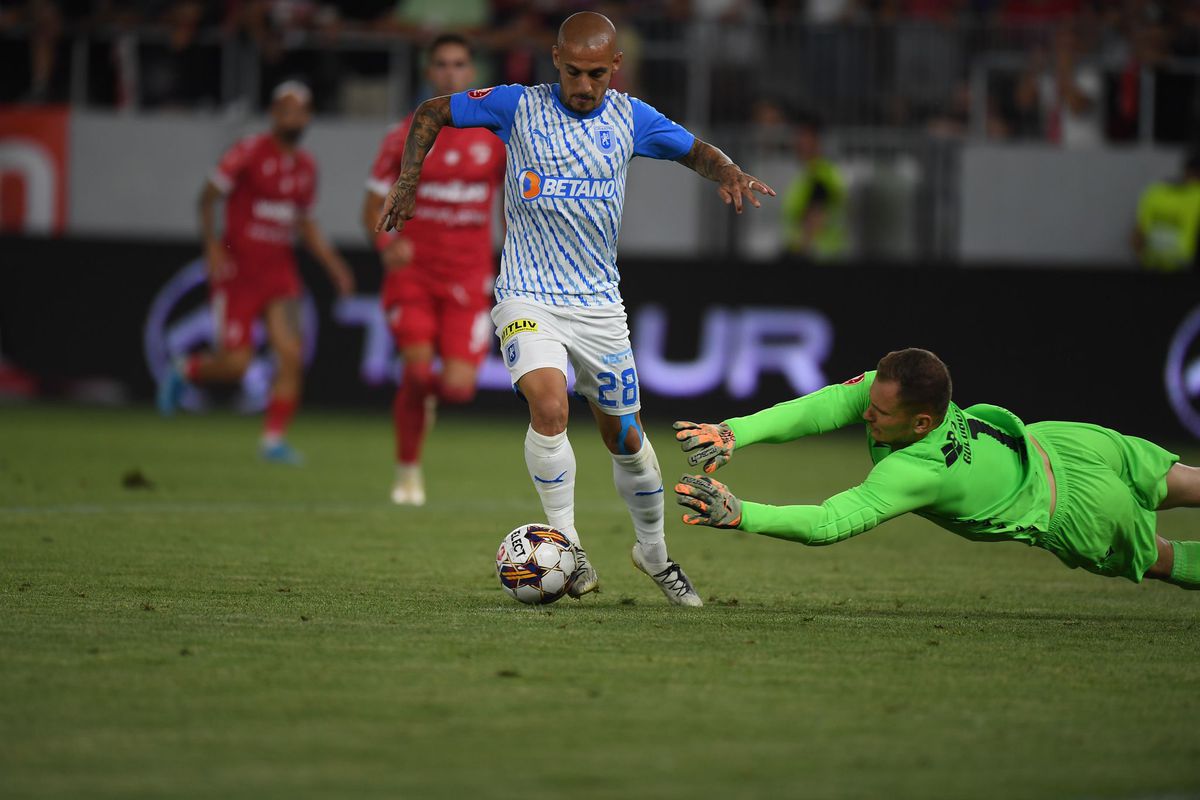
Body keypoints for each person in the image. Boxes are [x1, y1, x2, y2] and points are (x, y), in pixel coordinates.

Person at [376, 11, 775, 606]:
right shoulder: (517, 105)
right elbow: (432, 110)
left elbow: (695, 151)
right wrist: (410, 179)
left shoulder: (630, 117)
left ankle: (655, 555)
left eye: (596, 74)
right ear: (555, 62)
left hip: (597, 307)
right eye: (572, 73)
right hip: (527, 292)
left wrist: (731, 171)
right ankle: (568, 543)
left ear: (615, 67)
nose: (584, 86)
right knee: (548, 401)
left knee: (627, 440)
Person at [674, 348, 1200, 591]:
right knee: (1189, 483)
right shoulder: (907, 396)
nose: (866, 415)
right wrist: (733, 432)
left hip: (1079, 511)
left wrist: (743, 514)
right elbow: (823, 407)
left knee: (1162, 559)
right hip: (1065, 443)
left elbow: (830, 522)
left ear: (922, 422)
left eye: (878, 414)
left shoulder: (918, 470)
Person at [158, 81, 355, 464]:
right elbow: (208, 196)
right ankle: (186, 368)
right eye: (285, 109)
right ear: (272, 114)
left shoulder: (305, 167)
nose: (292, 117)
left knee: (291, 356)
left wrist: (335, 266)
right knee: (236, 364)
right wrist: (212, 245)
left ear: (309, 117)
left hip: (280, 275)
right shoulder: (248, 152)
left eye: (300, 111)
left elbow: (304, 223)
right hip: (239, 273)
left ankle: (273, 440)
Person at [361, 33, 506, 505]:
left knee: (460, 388)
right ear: (430, 72)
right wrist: (385, 245)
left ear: (471, 72)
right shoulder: (404, 135)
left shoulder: (493, 138)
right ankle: (407, 473)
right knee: (418, 374)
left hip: (468, 275)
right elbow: (370, 204)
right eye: (441, 64)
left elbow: (514, 201)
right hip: (415, 273)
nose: (450, 72)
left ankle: (425, 409)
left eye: (459, 64)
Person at [782, 112, 848, 260]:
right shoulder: (810, 174)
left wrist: (798, 253)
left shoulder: (821, 176)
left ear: (817, 141)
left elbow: (816, 218)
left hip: (818, 257)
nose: (798, 142)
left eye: (804, 137)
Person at [1133, 147, 1200, 272]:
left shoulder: (1155, 192)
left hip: (1152, 267)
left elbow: (1136, 237)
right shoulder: (1196, 196)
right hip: (1184, 271)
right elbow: (1137, 235)